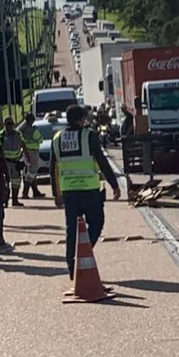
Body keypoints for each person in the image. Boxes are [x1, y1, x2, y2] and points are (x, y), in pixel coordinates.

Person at [51, 105, 121, 280]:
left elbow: (54, 168)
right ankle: (83, 251)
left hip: (68, 191)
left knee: (71, 230)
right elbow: (102, 161)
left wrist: (56, 194)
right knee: (96, 223)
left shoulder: (57, 139)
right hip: (89, 190)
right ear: (80, 119)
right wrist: (114, 184)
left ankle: (71, 267)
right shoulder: (88, 136)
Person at [0, 117, 28, 207]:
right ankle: (5, 201)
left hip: (16, 162)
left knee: (16, 182)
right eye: (8, 124)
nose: (9, 126)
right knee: (5, 183)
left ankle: (15, 200)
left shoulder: (18, 134)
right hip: (5, 162)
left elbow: (23, 144)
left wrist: (27, 156)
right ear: (4, 124)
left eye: (11, 123)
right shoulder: (0, 135)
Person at [18, 113, 46, 199]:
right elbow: (40, 140)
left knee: (29, 172)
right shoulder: (33, 130)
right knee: (32, 172)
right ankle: (25, 193)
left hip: (25, 152)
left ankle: (35, 191)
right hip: (33, 152)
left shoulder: (22, 129)